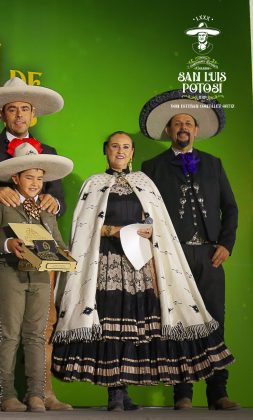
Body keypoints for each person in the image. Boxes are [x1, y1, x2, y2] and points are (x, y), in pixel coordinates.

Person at [52, 131, 234, 411]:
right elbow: (85, 228)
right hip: (107, 264)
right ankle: (114, 393)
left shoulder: (145, 183)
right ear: (106, 150)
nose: (120, 151)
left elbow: (158, 223)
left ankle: (125, 391)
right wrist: (113, 230)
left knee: (136, 328)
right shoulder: (94, 183)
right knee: (111, 327)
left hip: (139, 263)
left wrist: (148, 231)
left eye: (126, 147)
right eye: (115, 146)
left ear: (133, 152)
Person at [0, 77, 71, 411]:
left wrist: (54, 202)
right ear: (3, 114)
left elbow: (59, 200)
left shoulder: (48, 154)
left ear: (33, 113)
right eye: (13, 109)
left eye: (25, 109)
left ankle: (41, 390)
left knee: (42, 324)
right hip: (2, 249)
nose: (19, 115)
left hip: (41, 256)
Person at [140, 90, 239, 410]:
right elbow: (145, 213)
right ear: (168, 130)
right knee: (178, 322)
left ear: (195, 130)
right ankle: (182, 393)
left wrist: (226, 243)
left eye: (188, 123)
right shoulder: (151, 166)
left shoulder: (213, 163)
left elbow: (230, 207)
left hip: (209, 256)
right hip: (173, 256)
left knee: (215, 322)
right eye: (177, 123)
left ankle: (217, 392)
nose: (183, 127)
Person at [0, 139, 73, 412]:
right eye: (29, 177)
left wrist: (65, 257)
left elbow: (57, 241)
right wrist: (9, 245)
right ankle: (7, 394)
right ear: (15, 178)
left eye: (39, 179)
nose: (34, 183)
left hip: (41, 277)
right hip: (10, 273)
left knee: (35, 336)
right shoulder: (2, 204)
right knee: (10, 335)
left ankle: (36, 395)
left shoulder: (47, 207)